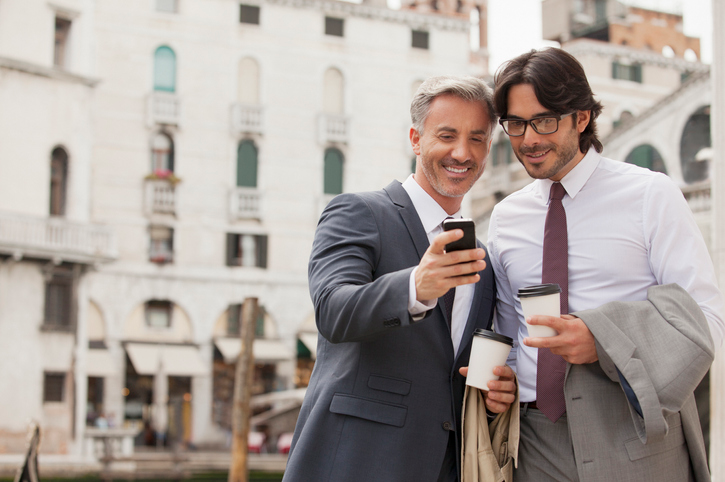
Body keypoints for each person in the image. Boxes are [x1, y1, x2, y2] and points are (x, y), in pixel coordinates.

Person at [488, 47, 724, 481]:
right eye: (515, 124)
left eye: (544, 120)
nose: (529, 139)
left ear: (581, 117)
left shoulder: (650, 195)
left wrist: (605, 341)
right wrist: (501, 379)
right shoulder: (505, 218)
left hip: (634, 427)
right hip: (535, 437)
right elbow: (509, 331)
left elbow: (706, 322)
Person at [283, 76, 517, 482]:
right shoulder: (358, 212)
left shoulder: (482, 260)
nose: (463, 152)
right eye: (447, 135)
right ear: (415, 138)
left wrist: (496, 395)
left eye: (477, 139)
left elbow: (453, 371)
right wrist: (414, 288)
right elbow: (333, 312)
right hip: (355, 462)